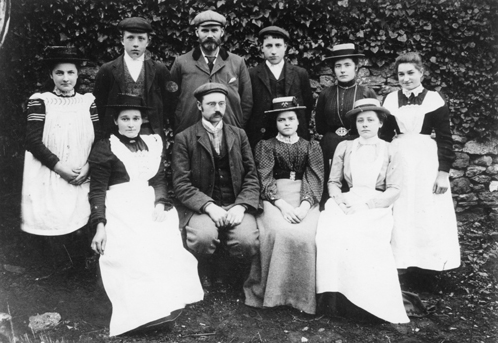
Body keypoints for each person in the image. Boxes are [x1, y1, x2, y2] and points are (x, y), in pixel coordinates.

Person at [88, 93, 203, 336]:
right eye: (125, 119)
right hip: (119, 205)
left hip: (149, 203)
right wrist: (100, 225)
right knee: (133, 246)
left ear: (142, 121)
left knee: (161, 239)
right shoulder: (105, 147)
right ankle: (140, 313)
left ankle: (163, 305)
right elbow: (97, 190)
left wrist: (161, 203)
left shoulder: (151, 142)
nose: (131, 124)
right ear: (116, 121)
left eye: (136, 118)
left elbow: (159, 179)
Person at [315, 98, 409, 324]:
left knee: (359, 233)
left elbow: (395, 188)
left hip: (376, 204)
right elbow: (334, 182)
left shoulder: (390, 149)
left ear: (380, 123)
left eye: (370, 120)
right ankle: (335, 299)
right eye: (360, 121)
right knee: (329, 230)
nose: (365, 124)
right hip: (348, 200)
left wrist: (368, 205)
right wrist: (339, 200)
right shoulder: (345, 146)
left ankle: (367, 303)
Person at [172, 83, 260, 286]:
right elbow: (181, 183)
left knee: (247, 240)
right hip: (202, 207)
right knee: (203, 238)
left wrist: (241, 205)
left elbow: (251, 176)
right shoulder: (184, 138)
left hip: (234, 202)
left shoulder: (239, 135)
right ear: (199, 106)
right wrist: (209, 206)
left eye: (221, 103)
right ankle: (205, 268)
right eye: (211, 104)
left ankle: (229, 272)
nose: (217, 108)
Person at [244, 96, 324, 314]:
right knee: (279, 231)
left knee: (307, 235)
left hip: (304, 196)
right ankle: (274, 294)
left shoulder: (311, 147)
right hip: (274, 198)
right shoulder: (266, 146)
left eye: (291, 118)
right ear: (275, 123)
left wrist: (304, 207)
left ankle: (301, 298)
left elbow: (315, 178)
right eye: (281, 120)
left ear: (298, 121)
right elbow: (264, 178)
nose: (287, 123)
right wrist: (282, 205)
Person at [382, 52, 460, 272]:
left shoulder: (434, 99)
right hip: (399, 157)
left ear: (421, 73)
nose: (406, 78)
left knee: (426, 207)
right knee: (401, 206)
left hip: (425, 160)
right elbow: (386, 135)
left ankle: (430, 265)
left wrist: (443, 172)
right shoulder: (390, 99)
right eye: (401, 74)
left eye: (410, 73)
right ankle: (402, 264)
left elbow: (445, 138)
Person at [22, 46, 100, 245]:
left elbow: (100, 138)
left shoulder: (87, 102)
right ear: (51, 74)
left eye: (70, 72)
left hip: (82, 174)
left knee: (81, 227)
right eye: (59, 72)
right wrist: (60, 168)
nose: (66, 78)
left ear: (77, 74)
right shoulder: (41, 102)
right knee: (54, 228)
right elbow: (33, 141)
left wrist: (88, 168)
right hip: (51, 173)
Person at [170, 10, 252, 134]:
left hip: (229, 132)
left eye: (214, 30)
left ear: (222, 32)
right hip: (190, 132)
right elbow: (170, 99)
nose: (209, 35)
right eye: (205, 30)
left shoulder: (237, 62)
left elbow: (247, 101)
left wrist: (237, 125)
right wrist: (180, 125)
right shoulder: (181, 62)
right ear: (197, 32)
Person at [315, 43, 377, 206]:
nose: (342, 70)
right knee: (330, 185)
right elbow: (320, 125)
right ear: (333, 69)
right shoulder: (325, 94)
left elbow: (373, 123)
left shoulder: (366, 92)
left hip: (358, 144)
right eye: (338, 66)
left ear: (356, 68)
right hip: (330, 145)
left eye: (347, 65)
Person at [94, 17, 176, 138]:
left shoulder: (159, 70)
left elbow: (170, 104)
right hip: (116, 134)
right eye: (130, 38)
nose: (135, 44)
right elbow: (100, 106)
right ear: (122, 40)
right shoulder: (107, 70)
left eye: (141, 38)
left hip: (150, 133)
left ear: (148, 41)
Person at [245, 26, 313, 149]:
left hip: (295, 139)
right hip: (262, 139)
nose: (273, 51)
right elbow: (248, 107)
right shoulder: (252, 75)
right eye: (269, 46)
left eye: (278, 45)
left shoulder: (300, 74)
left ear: (285, 47)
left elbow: (307, 106)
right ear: (262, 48)